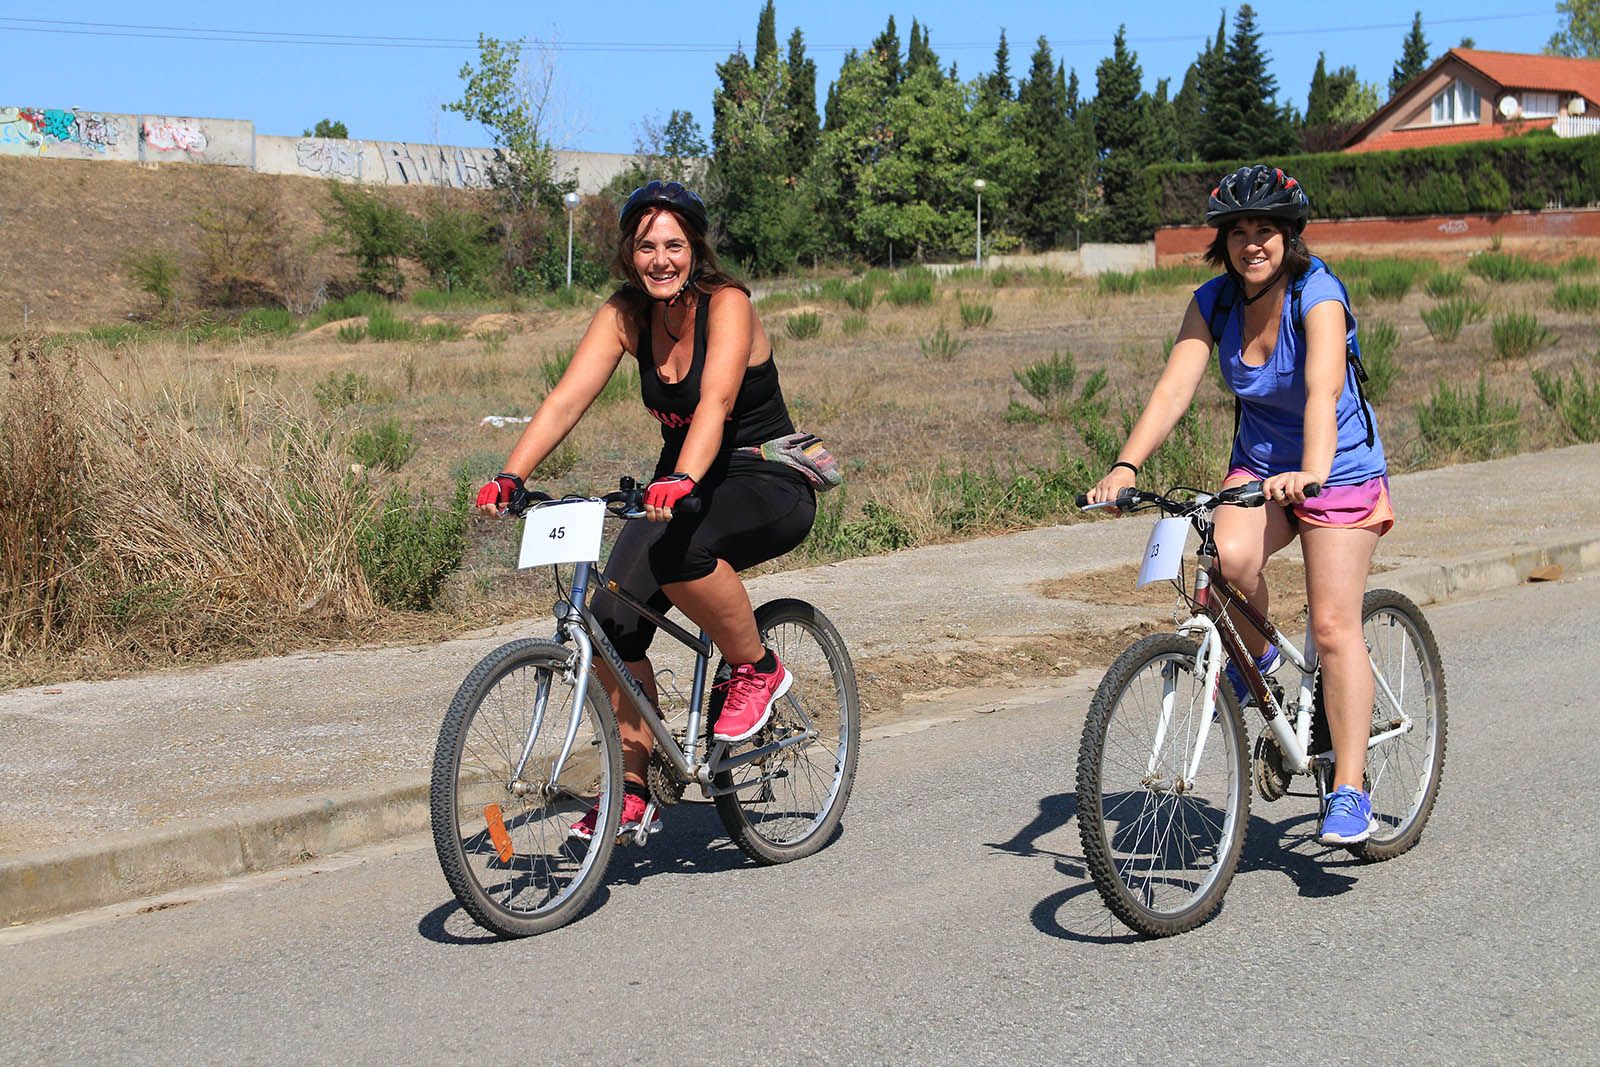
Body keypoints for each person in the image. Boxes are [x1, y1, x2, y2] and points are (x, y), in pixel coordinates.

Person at [475, 180, 817, 840]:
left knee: (679, 551)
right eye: (646, 246)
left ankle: (758, 668)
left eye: (674, 246)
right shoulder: (625, 314)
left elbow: (715, 403)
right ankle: (633, 791)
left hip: (763, 474)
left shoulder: (729, 304)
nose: (661, 259)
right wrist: (511, 475)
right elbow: (565, 401)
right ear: (630, 253)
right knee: (609, 619)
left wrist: (682, 476)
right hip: (682, 484)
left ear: (696, 249)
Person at [1086, 165, 1393, 846]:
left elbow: (1321, 390)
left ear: (1288, 235)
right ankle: (1273, 681)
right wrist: (1124, 464)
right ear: (1223, 241)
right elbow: (1173, 390)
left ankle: (1349, 788)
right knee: (1221, 566)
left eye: (1266, 230)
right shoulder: (1214, 302)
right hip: (1259, 466)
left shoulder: (1318, 294)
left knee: (1335, 623)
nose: (1253, 243)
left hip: (1334, 466)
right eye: (1239, 232)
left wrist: (1310, 469)